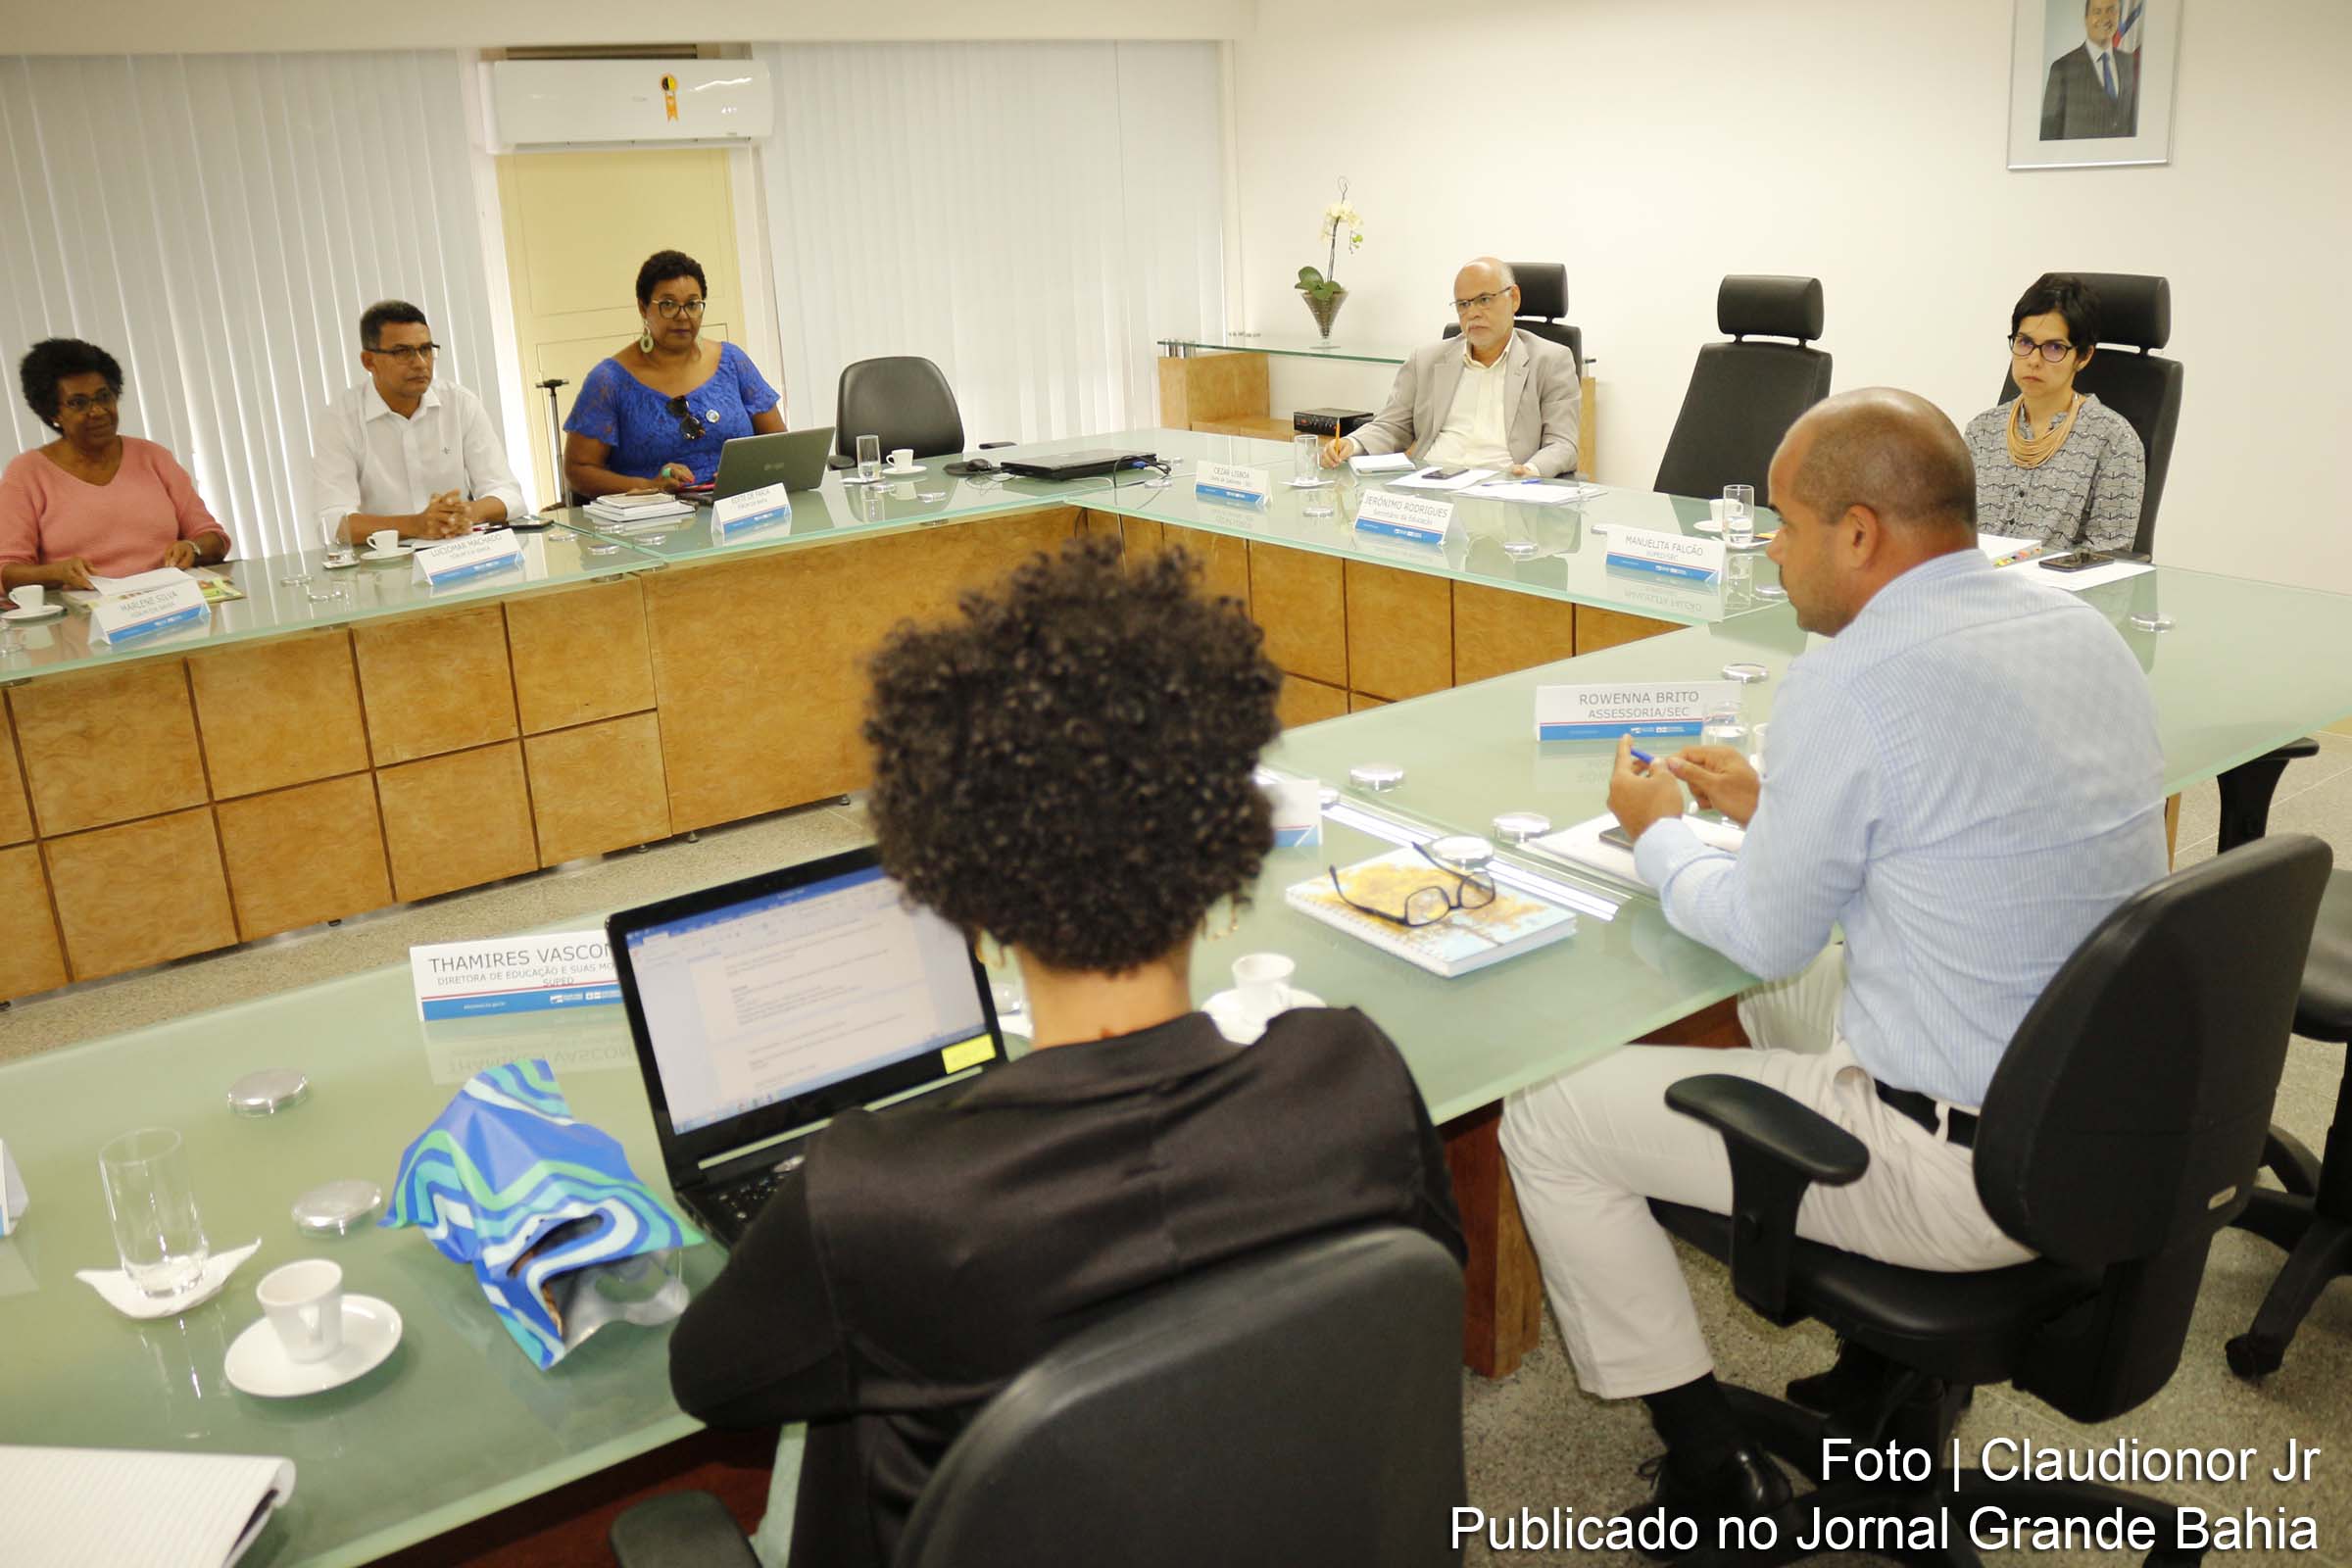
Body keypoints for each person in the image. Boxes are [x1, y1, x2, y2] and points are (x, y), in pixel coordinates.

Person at [668, 537, 1465, 1568]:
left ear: (970, 903)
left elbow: (713, 1379)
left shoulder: (874, 1195)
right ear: (1223, 855)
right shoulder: (1351, 1073)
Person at [1498, 388, 2167, 1538]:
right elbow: (1967, 830)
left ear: (1860, 533)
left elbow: (1760, 932)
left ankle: (1713, 1472)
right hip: (2107, 1118)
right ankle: (1886, 1368)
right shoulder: (2077, 628)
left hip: (1966, 1169)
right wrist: (1781, 807)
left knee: (1549, 1113)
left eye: (1785, 521)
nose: (1769, 543)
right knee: (1786, 997)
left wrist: (1658, 834)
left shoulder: (1850, 677)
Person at [2, 338, 230, 592]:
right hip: (85, 619)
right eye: (78, 403)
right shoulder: (28, 473)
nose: (98, 411)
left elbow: (214, 539)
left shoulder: (153, 457)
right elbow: (8, 571)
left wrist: (193, 548)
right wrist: (56, 573)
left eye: (104, 397)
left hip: (171, 603)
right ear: (52, 413)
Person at [1320, 257, 1581, 478]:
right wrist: (1352, 444)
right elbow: (1392, 426)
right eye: (1463, 305)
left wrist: (1531, 471)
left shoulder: (1551, 360)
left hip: (1504, 488)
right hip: (1431, 490)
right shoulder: (1426, 359)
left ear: (1513, 298)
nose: (1473, 313)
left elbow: (1563, 444)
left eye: (1484, 300)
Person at [562, 250, 785, 499]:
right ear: (643, 307)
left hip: (740, 511)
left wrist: (748, 473)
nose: (682, 316)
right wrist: (650, 486)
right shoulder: (609, 381)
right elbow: (578, 471)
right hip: (654, 524)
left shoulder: (732, 361)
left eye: (692, 304)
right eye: (668, 305)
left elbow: (780, 446)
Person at [308, 301, 527, 547]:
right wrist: (415, 525)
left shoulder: (460, 403)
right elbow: (333, 521)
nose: (421, 363)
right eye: (402, 352)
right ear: (369, 361)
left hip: (458, 553)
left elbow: (508, 494)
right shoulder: (340, 419)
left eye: (426, 349)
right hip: (382, 565)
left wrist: (465, 513)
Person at [1966, 273, 2145, 554]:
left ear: (2084, 356)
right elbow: (1956, 533)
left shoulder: (2113, 439)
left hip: (2057, 593)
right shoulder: (1981, 430)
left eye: (2054, 348)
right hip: (1976, 588)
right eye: (2025, 342)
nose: (2034, 360)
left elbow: (2109, 555)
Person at [2039, 0, 2139, 141]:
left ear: (2119, 15)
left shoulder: (2129, 63)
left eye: (2111, 10)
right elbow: (2048, 134)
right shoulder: (2062, 69)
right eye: (2097, 11)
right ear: (2086, 19)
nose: (2105, 18)